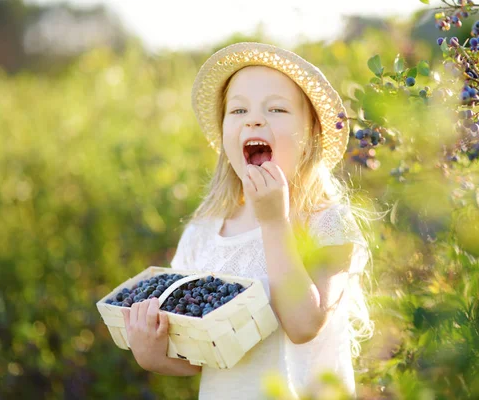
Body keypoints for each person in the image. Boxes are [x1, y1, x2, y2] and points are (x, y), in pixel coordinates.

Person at [121, 42, 375, 399]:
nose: (254, 119)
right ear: (225, 135)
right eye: (238, 109)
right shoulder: (203, 235)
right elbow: (199, 355)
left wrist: (274, 222)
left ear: (310, 136)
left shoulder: (327, 223)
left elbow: (304, 325)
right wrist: (154, 356)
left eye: (276, 109)